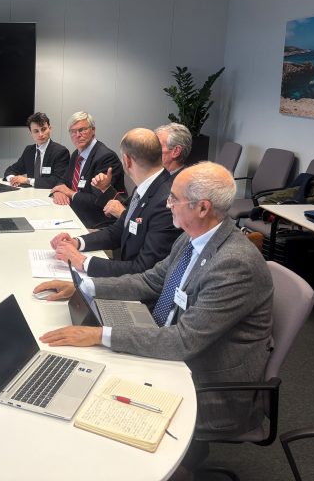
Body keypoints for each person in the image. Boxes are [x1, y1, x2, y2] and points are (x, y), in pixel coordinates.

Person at [37, 162, 273, 471]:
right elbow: (151, 281)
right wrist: (86, 287)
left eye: (174, 198)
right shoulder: (193, 236)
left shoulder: (234, 264)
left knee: (95, 402)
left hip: (209, 385)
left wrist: (98, 335)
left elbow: (184, 340)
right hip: (175, 347)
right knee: (89, 374)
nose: (167, 203)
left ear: (202, 207)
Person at [45, 128, 180, 278]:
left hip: (138, 285)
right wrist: (77, 242)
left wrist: (83, 262)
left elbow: (144, 268)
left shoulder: (165, 202)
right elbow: (118, 230)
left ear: (127, 160)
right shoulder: (146, 187)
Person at [49, 111, 124, 228]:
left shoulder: (106, 157)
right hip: (74, 213)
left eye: (82, 130)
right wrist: (58, 191)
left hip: (96, 222)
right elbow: (63, 180)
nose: (77, 135)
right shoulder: (76, 154)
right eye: (73, 131)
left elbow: (98, 201)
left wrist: (69, 193)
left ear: (93, 130)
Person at [3, 112, 70, 189]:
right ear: (31, 133)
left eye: (43, 129)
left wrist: (27, 181)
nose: (40, 134)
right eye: (36, 131)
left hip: (49, 193)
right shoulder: (29, 150)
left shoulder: (61, 152)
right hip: (31, 193)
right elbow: (11, 170)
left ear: (50, 129)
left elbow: (57, 180)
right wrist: (13, 179)